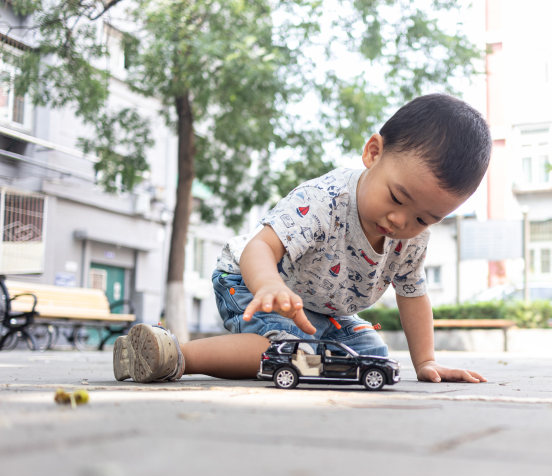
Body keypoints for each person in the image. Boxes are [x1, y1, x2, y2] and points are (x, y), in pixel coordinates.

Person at [113, 93, 492, 384]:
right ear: (373, 153)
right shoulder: (324, 200)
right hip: (249, 281)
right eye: (396, 198)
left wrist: (425, 361)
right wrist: (269, 286)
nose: (400, 221)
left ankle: (304, 358)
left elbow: (413, 295)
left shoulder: (413, 238)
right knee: (283, 350)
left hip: (320, 310)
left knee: (372, 356)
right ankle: (172, 356)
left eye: (424, 218)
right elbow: (259, 247)